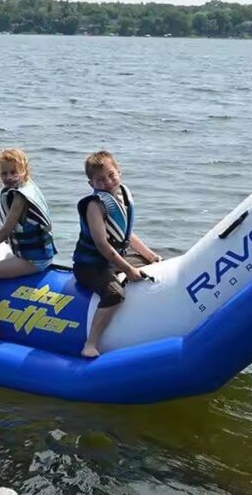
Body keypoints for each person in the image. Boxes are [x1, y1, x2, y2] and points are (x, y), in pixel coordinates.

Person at [73, 151, 161, 358]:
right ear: (91, 183)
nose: (107, 182)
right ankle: (91, 342)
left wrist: (150, 256)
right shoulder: (95, 206)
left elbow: (125, 234)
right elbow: (102, 244)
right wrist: (128, 269)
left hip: (113, 259)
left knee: (155, 267)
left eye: (111, 175)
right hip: (91, 266)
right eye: (100, 180)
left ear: (119, 172)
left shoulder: (122, 197)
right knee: (114, 294)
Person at [0, 148, 57, 338]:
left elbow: (6, 230)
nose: (8, 177)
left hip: (34, 260)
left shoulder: (19, 198)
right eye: (4, 173)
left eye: (14, 172)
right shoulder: (28, 187)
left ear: (24, 171)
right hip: (42, 254)